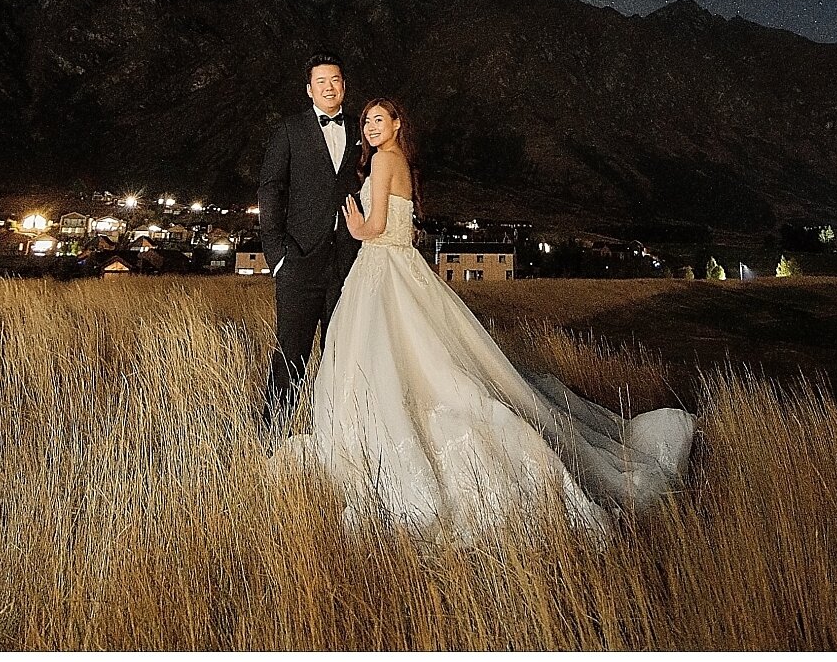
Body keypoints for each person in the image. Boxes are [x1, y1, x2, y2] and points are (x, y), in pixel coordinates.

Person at [276, 96, 695, 538]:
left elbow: (376, 225)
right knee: (422, 353)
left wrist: (356, 227)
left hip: (381, 268)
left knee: (377, 357)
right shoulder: (401, 163)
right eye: (366, 121)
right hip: (401, 266)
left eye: (379, 120)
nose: (370, 127)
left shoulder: (382, 161)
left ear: (397, 124)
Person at [255, 54, 362, 423]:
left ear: (344, 86)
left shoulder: (362, 129)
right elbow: (270, 189)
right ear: (309, 89)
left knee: (343, 355)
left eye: (335, 80)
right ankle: (273, 433)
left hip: (348, 262)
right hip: (298, 261)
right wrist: (277, 254)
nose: (329, 87)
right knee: (291, 356)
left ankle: (333, 433)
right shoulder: (290, 130)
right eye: (321, 81)